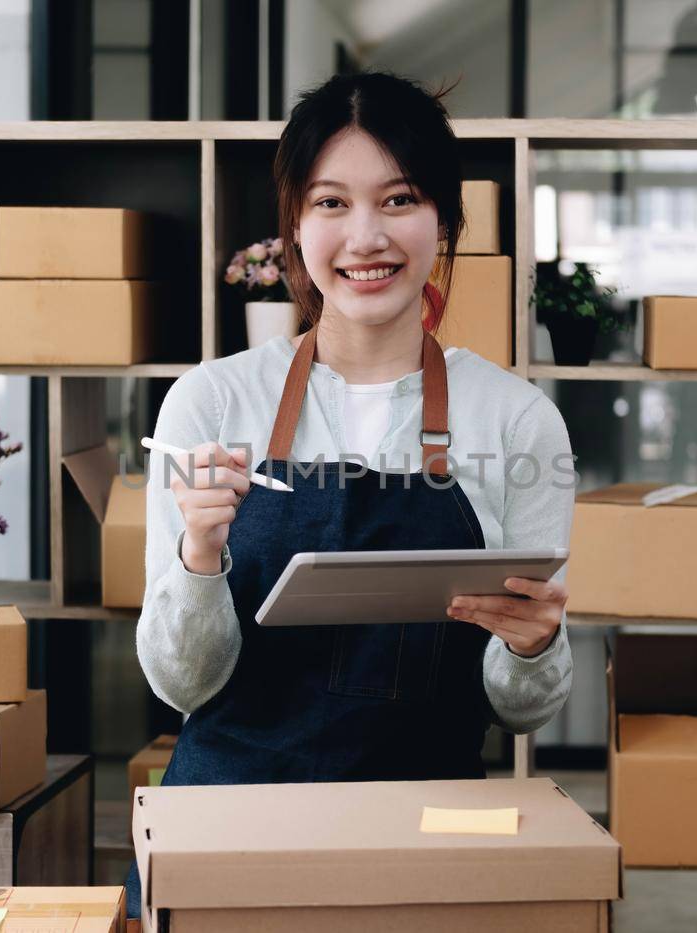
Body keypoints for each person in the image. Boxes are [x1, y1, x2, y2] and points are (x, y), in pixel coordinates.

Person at [126, 71, 575, 918]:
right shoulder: (212, 405)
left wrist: (530, 647)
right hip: (231, 833)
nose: (365, 236)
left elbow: (527, 710)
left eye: (398, 198)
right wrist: (199, 556)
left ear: (443, 221)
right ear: (295, 228)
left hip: (430, 843)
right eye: (331, 202)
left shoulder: (518, 423)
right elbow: (180, 685)